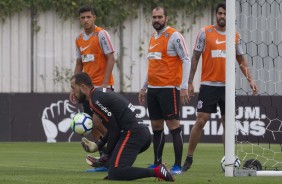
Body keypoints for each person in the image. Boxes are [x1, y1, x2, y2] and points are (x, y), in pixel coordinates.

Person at [182, 2, 258, 172]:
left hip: (227, 87)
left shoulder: (235, 36)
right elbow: (195, 57)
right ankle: (189, 158)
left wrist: (250, 80)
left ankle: (228, 161)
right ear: (216, 15)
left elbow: (241, 60)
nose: (222, 16)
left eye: (225, 14)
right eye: (220, 13)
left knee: (227, 124)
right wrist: (189, 82)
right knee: (201, 120)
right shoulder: (205, 33)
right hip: (208, 85)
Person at [70, 72, 175, 181]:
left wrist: (105, 155)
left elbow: (115, 130)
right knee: (113, 171)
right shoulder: (98, 94)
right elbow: (113, 127)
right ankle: (119, 170)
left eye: (73, 88)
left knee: (116, 173)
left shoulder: (95, 100)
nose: (73, 92)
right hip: (141, 133)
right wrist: (99, 145)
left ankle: (157, 171)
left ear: (82, 87)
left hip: (133, 134)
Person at [139, 6, 191, 175]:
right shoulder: (153, 37)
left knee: (174, 125)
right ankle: (157, 163)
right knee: (156, 127)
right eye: (154, 17)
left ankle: (177, 166)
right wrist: (144, 87)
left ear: (166, 18)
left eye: (160, 17)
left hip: (169, 88)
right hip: (153, 90)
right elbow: (153, 65)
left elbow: (186, 59)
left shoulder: (174, 35)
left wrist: (183, 86)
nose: (157, 20)